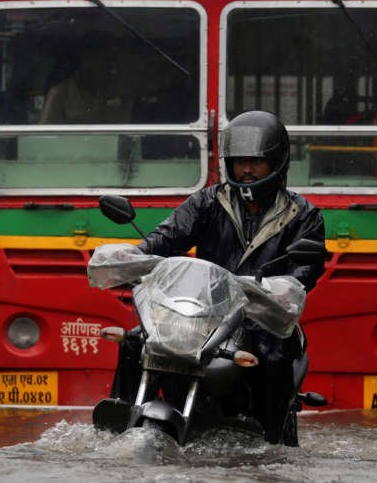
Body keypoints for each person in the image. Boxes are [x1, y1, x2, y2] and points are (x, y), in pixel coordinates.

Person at [110, 111, 326, 445]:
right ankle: (117, 423)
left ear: (277, 163)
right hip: (204, 314)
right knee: (137, 341)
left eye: (256, 162)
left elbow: (305, 272)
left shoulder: (304, 215)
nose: (247, 170)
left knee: (272, 355)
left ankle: (271, 441)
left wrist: (279, 290)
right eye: (240, 162)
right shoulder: (209, 202)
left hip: (262, 320)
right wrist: (134, 256)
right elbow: (168, 237)